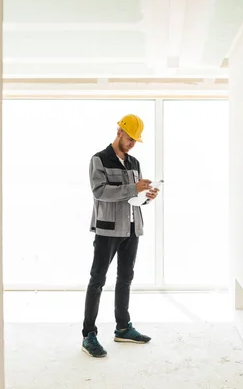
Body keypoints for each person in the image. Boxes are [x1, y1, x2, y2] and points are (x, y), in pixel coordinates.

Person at [81, 114, 159, 358]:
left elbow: (132, 198)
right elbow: (100, 191)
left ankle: (123, 328)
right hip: (108, 229)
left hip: (132, 228)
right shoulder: (99, 159)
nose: (133, 143)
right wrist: (132, 189)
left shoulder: (134, 162)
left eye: (136, 140)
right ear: (119, 132)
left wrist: (146, 197)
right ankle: (88, 335)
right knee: (97, 280)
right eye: (130, 138)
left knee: (125, 278)